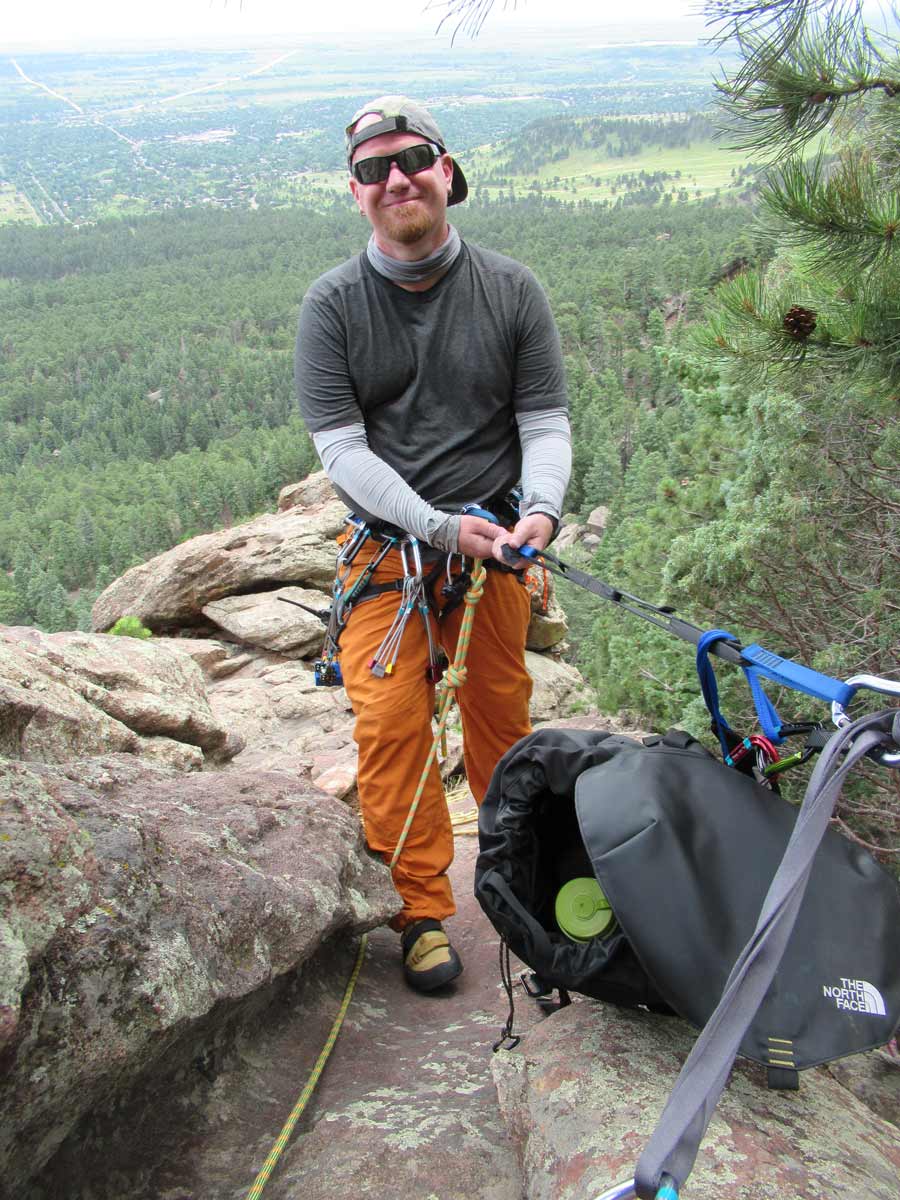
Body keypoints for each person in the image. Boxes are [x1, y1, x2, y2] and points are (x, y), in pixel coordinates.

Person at [295, 96, 571, 992]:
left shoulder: (512, 288)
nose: (396, 179)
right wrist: (441, 527)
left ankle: (517, 885)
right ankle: (421, 909)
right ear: (356, 193)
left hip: (495, 544)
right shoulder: (333, 306)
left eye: (412, 160)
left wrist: (542, 510)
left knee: (500, 716)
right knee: (388, 725)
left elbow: (544, 420)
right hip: (393, 551)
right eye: (375, 169)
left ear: (447, 173)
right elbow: (340, 451)